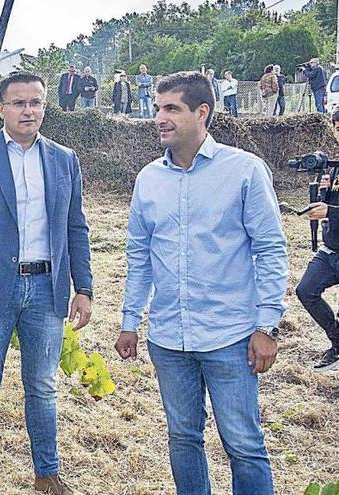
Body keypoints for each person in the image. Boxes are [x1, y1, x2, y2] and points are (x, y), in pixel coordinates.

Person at [116, 71, 287, 495]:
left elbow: (270, 249)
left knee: (243, 444)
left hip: (230, 336)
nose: (160, 117)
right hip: (170, 338)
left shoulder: (244, 171)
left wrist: (267, 327)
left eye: (172, 108)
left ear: (202, 112)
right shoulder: (149, 180)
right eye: (158, 108)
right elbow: (139, 255)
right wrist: (130, 320)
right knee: (183, 438)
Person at [0, 71, 93, 495]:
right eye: (19, 103)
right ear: (1, 108)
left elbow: (76, 227)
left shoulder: (65, 159)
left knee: (43, 387)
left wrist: (82, 287)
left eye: (36, 102)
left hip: (47, 290)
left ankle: (47, 474)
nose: (28, 110)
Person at [295, 103, 339, 400]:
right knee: (306, 291)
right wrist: (321, 191)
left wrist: (331, 209)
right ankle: (338, 343)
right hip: (332, 249)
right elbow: (329, 206)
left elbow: (338, 210)